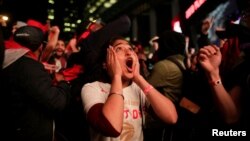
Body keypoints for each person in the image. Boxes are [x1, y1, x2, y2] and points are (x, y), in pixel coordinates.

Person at [81, 36, 177, 141]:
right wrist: (116, 76)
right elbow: (112, 128)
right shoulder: (92, 88)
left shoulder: (138, 89)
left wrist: (139, 79)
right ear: (106, 63)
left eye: (130, 49)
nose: (128, 52)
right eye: (119, 49)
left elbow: (171, 117)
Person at [0, 25, 71, 141]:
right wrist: (63, 83)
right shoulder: (28, 66)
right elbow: (56, 102)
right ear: (40, 48)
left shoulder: (6, 59)